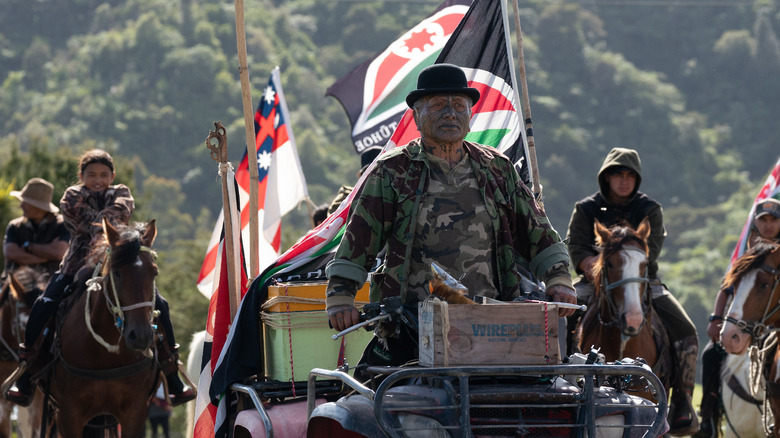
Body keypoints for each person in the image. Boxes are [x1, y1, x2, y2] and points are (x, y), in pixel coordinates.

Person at [324, 64, 576, 376]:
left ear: (470, 115)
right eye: (439, 105)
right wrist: (341, 296)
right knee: (375, 402)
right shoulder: (392, 172)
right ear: (417, 116)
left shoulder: (497, 168)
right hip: (411, 325)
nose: (450, 114)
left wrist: (559, 279)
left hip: (492, 326)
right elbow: (359, 239)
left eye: (459, 105)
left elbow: (537, 231)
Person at [5, 149, 195, 407]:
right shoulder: (71, 196)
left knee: (159, 304)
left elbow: (120, 212)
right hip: (77, 262)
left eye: (104, 175)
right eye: (91, 174)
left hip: (118, 259)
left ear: (113, 175)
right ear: (81, 176)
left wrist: (110, 230)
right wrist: (109, 225)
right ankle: (27, 371)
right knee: (44, 303)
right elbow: (92, 221)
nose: (98, 179)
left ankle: (171, 373)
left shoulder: (122, 191)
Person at [565, 147, 700, 435]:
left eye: (629, 175)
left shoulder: (649, 210)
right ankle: (558, 389)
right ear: (606, 177)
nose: (623, 180)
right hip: (596, 281)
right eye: (617, 174)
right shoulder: (586, 208)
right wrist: (589, 262)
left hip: (641, 281)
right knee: (560, 318)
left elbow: (651, 254)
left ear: (636, 179)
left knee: (686, 331)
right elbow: (575, 245)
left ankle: (682, 403)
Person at [696, 197, 780, 438]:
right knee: (711, 354)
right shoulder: (750, 252)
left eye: (774, 220)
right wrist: (716, 319)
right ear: (756, 223)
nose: (768, 225)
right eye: (763, 220)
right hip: (748, 323)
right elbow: (727, 288)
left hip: (772, 326)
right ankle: (708, 419)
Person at [2, 177, 70, 279]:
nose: (21, 206)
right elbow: (12, 254)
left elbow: (59, 253)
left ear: (39, 207)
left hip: (49, 281)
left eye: (26, 203)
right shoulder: (15, 226)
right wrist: (46, 257)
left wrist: (28, 247)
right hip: (14, 281)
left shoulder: (62, 225)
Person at [326, 145, 383, 216]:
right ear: (361, 176)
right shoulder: (346, 200)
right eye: (369, 172)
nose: (374, 176)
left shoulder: (396, 195)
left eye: (378, 171)